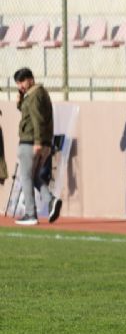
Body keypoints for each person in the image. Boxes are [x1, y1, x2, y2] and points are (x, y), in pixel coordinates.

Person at [13, 67, 60, 226]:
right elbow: (30, 114)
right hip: (41, 142)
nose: (20, 86)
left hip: (30, 141)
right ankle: (51, 200)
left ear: (30, 79)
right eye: (18, 83)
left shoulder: (34, 95)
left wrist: (38, 142)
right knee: (34, 177)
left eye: (21, 82)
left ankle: (30, 213)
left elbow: (37, 119)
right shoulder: (39, 94)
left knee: (26, 177)